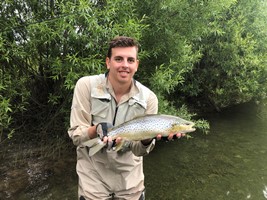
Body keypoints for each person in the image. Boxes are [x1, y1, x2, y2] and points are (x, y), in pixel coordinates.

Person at [68, 36, 183, 200]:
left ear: (137, 64)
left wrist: (146, 140)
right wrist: (96, 130)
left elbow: (139, 151)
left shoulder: (149, 99)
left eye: (130, 60)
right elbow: (76, 136)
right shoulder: (86, 86)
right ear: (108, 62)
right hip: (93, 184)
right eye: (118, 59)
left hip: (130, 185)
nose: (125, 65)